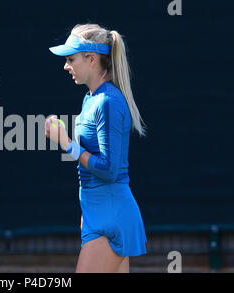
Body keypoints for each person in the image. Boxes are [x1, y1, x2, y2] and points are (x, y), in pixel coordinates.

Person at [45, 24, 147, 273]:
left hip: (111, 216)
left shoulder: (108, 101)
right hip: (97, 213)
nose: (66, 66)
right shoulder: (91, 98)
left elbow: (110, 170)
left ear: (91, 59)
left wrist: (66, 143)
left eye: (71, 59)